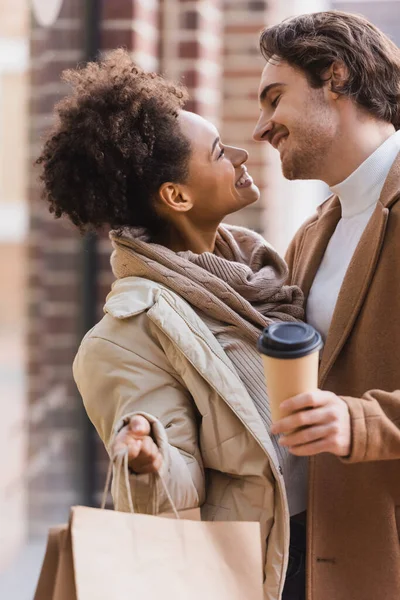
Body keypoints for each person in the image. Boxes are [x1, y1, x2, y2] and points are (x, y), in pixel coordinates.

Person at [36, 49, 307, 600]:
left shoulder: (262, 275)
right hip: (262, 571)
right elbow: (176, 482)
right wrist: (147, 458)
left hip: (332, 543)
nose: (238, 152)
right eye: (217, 152)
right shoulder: (126, 337)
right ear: (177, 196)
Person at [253, 10, 400, 600]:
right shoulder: (314, 233)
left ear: (335, 77)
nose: (262, 127)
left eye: (273, 99)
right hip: (309, 558)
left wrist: (359, 421)